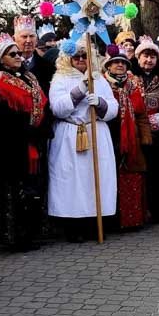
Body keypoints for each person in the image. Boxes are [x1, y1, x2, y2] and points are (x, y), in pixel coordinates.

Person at [48, 38, 119, 242]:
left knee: (95, 179)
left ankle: (94, 223)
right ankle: (74, 225)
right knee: (72, 181)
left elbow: (114, 108)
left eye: (84, 56)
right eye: (76, 56)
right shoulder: (60, 78)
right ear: (68, 58)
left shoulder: (99, 79)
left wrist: (101, 103)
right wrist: (79, 91)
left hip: (96, 131)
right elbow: (58, 108)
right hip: (70, 134)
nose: (80, 59)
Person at [0, 33, 49, 252]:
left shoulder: (29, 78)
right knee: (13, 191)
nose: (19, 57)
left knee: (31, 190)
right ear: (2, 59)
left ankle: (30, 231)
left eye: (19, 53)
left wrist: (39, 130)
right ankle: (12, 236)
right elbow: (0, 117)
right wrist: (25, 130)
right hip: (10, 146)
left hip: (32, 141)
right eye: (13, 54)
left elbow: (41, 104)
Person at [103, 45, 152, 231]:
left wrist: (145, 136)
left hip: (132, 139)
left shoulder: (133, 85)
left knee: (132, 176)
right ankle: (112, 220)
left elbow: (142, 114)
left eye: (123, 62)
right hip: (110, 135)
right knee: (111, 177)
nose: (119, 65)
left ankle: (132, 220)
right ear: (108, 65)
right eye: (115, 62)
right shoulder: (102, 84)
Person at [132, 36, 159, 223]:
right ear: (138, 57)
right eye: (145, 56)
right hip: (135, 131)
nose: (148, 60)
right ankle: (139, 210)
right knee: (140, 172)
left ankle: (156, 209)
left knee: (157, 172)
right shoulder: (130, 78)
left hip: (158, 133)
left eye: (152, 57)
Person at [15, 15, 56, 94]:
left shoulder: (48, 67)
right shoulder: (6, 65)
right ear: (14, 39)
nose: (28, 40)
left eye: (32, 36)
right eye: (24, 37)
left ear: (36, 40)